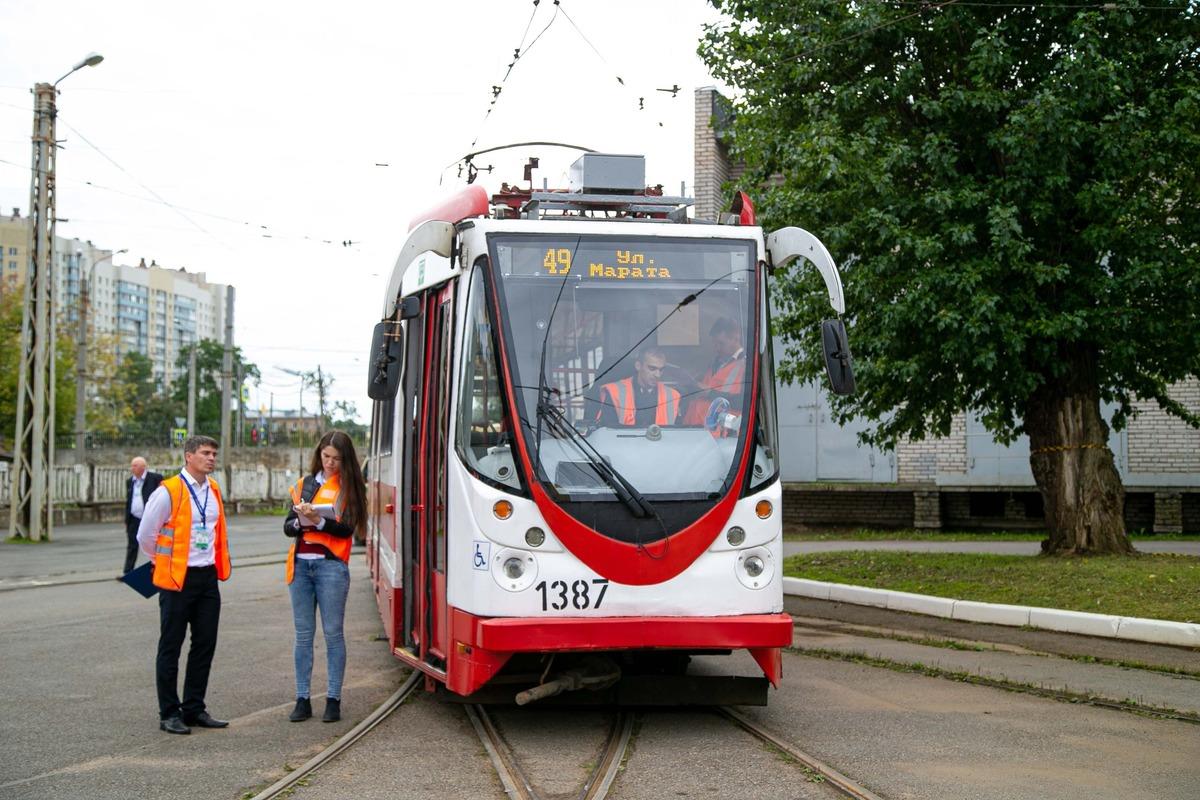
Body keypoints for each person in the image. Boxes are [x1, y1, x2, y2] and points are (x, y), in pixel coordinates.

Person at [136, 435, 232, 735]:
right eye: (205, 452)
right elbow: (145, 536)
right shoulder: (169, 491)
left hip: (206, 577)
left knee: (204, 644)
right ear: (189, 456)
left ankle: (194, 708)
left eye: (214, 453)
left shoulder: (213, 489)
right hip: (177, 579)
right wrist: (163, 562)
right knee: (171, 646)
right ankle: (169, 712)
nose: (212, 458)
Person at [284, 430, 367, 724]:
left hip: (330, 568)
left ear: (345, 461)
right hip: (300, 568)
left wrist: (318, 520)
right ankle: (302, 699)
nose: (330, 463)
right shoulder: (303, 485)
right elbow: (287, 526)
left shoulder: (349, 487)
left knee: (333, 635)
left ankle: (333, 699)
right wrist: (300, 521)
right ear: (318, 454)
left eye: (336, 459)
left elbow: (347, 530)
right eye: (326, 456)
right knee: (303, 636)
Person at [595, 346, 682, 427]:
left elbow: (677, 433)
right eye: (652, 368)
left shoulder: (672, 396)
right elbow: (607, 431)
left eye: (661, 370)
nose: (658, 375)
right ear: (638, 366)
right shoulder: (615, 392)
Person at [683, 317, 747, 426]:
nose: (716, 348)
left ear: (736, 338)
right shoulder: (716, 362)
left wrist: (709, 393)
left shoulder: (748, 365)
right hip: (698, 429)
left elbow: (744, 402)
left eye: (721, 343)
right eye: (715, 343)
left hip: (724, 434)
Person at [123, 457, 162, 575]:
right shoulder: (130, 481)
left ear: (143, 467)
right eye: (132, 465)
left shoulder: (154, 478)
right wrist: (127, 519)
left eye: (135, 465)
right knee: (132, 545)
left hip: (150, 518)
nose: (132, 468)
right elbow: (129, 501)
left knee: (155, 544)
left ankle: (159, 568)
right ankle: (128, 572)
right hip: (134, 518)